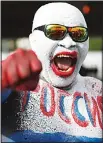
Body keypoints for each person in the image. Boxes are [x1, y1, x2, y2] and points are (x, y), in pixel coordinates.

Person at [1, 2, 102, 142]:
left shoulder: (97, 91)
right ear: (33, 40)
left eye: (78, 34)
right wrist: (4, 75)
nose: (69, 43)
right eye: (55, 32)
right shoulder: (16, 90)